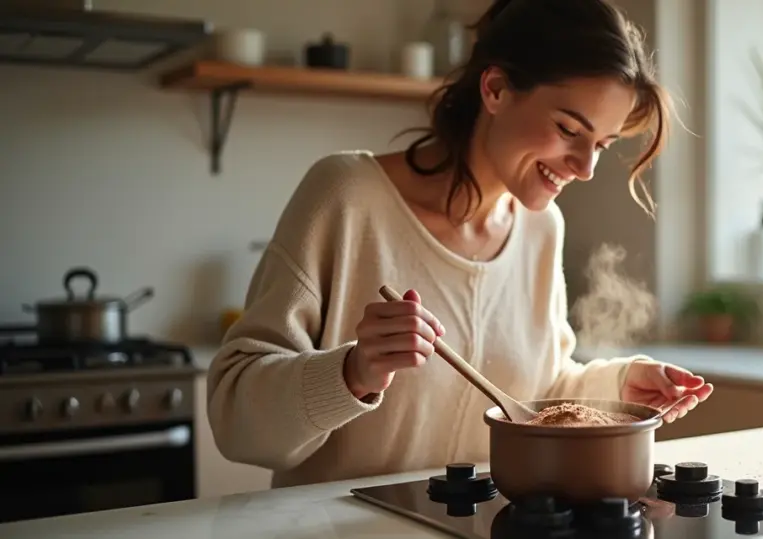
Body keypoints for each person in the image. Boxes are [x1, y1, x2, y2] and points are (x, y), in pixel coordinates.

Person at [207, 0, 714, 489]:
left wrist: (617, 389)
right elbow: (235, 421)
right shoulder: (346, 195)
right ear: (495, 89)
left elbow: (533, 394)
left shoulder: (542, 229)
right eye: (567, 129)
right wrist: (353, 371)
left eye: (601, 145)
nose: (584, 168)